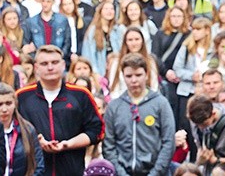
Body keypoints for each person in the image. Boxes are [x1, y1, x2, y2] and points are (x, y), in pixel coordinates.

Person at [17, 45, 104, 176]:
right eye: (44, 63)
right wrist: (35, 141)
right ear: (36, 68)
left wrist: (69, 144)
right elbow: (12, 131)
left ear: (63, 65)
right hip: (34, 170)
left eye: (55, 62)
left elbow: (97, 130)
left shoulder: (80, 94)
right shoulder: (22, 97)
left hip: (71, 169)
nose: (50, 67)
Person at [103, 52, 175, 176]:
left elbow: (168, 141)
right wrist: (120, 173)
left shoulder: (160, 103)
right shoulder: (114, 107)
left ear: (146, 74)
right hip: (122, 171)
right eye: (129, 76)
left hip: (155, 171)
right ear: (123, 76)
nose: (134, 80)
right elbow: (109, 144)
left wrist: (156, 172)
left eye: (138, 75)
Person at [151, 6, 190, 127]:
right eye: (174, 16)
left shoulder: (189, 35)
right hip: (166, 76)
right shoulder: (160, 34)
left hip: (184, 77)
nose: (176, 19)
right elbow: (155, 56)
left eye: (179, 16)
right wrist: (166, 72)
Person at [0, 82, 45, 175]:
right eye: (0, 104)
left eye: (8, 103)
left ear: (15, 104)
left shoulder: (28, 129)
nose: (4, 109)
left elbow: (38, 165)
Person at [22, 0, 72, 65]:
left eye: (48, 1)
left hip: (58, 61)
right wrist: (36, 59)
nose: (45, 4)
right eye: (43, 1)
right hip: (39, 62)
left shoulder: (62, 20)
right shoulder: (31, 22)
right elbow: (26, 44)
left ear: (53, 2)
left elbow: (67, 43)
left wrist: (59, 57)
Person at [108, 26, 159, 99]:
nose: (134, 43)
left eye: (137, 39)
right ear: (125, 42)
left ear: (142, 41)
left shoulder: (150, 61)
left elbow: (154, 86)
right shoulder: (117, 62)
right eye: (130, 40)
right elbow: (114, 87)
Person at [82, 1, 122, 76]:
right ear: (100, 12)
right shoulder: (92, 31)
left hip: (115, 69)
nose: (109, 11)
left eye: (111, 9)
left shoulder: (117, 30)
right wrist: (95, 72)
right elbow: (88, 53)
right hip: (99, 70)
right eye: (106, 9)